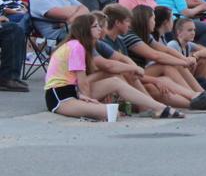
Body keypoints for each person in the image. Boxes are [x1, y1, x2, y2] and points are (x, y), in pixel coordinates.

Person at [44, 13, 185, 119]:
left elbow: (107, 68)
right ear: (85, 30)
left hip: (73, 91)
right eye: (95, 26)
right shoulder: (76, 46)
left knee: (115, 81)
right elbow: (82, 80)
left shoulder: (80, 46)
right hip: (60, 97)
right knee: (112, 114)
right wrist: (90, 101)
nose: (100, 29)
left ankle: (159, 107)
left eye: (99, 26)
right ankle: (155, 106)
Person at [165, 15, 206, 87]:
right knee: (193, 61)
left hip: (185, 78)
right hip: (173, 80)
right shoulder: (173, 45)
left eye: (194, 30)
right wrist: (196, 55)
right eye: (189, 30)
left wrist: (198, 54)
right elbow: (176, 66)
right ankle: (198, 89)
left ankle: (201, 88)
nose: (193, 33)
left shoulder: (189, 44)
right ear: (179, 32)